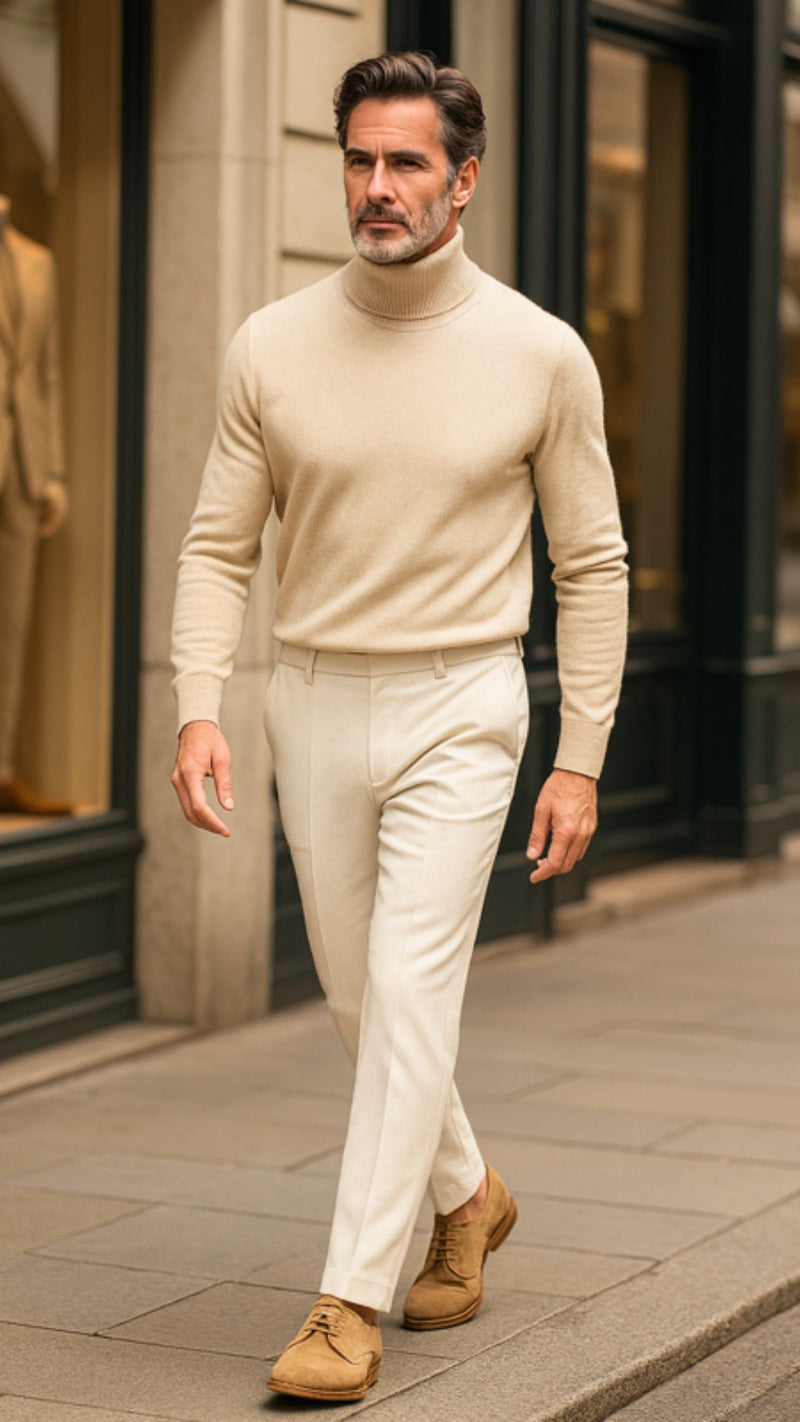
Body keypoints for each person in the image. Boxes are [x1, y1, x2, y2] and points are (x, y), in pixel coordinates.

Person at [170, 52, 628, 1405]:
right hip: (309, 692)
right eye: (361, 160)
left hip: (463, 700)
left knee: (415, 982)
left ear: (464, 177)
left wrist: (582, 754)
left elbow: (592, 563)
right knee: (356, 988)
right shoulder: (272, 342)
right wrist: (200, 703)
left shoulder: (542, 351)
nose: (378, 186)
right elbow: (215, 546)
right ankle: (469, 1193)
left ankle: (343, 1301)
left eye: (408, 162)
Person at [0, 194, 72, 819]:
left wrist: (51, 472)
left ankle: (2, 768)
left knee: (11, 624)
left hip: (20, 470)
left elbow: (45, 372)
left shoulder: (37, 261)